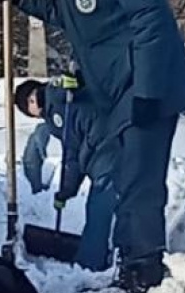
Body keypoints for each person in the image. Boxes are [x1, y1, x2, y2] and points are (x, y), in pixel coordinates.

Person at [0, 0, 185, 293]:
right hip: (113, 91)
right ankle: (130, 266)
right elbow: (73, 19)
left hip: (145, 83)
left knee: (140, 180)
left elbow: (150, 14)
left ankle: (144, 271)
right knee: (124, 179)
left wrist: (148, 90)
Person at [17, 74, 119, 271]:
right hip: (113, 144)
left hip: (107, 150)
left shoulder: (58, 100)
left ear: (31, 99)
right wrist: (66, 191)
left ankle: (90, 264)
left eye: (28, 111)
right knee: (122, 205)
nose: (34, 116)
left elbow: (72, 157)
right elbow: (73, 151)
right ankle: (121, 254)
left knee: (99, 206)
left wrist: (65, 191)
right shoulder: (59, 103)